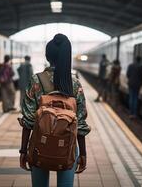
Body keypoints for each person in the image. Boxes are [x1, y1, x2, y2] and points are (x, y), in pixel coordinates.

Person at [18, 34, 91, 187]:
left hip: (39, 144)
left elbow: (28, 121)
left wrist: (23, 150)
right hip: (68, 146)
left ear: (47, 56)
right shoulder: (75, 84)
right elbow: (81, 124)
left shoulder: (36, 80)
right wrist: (82, 154)